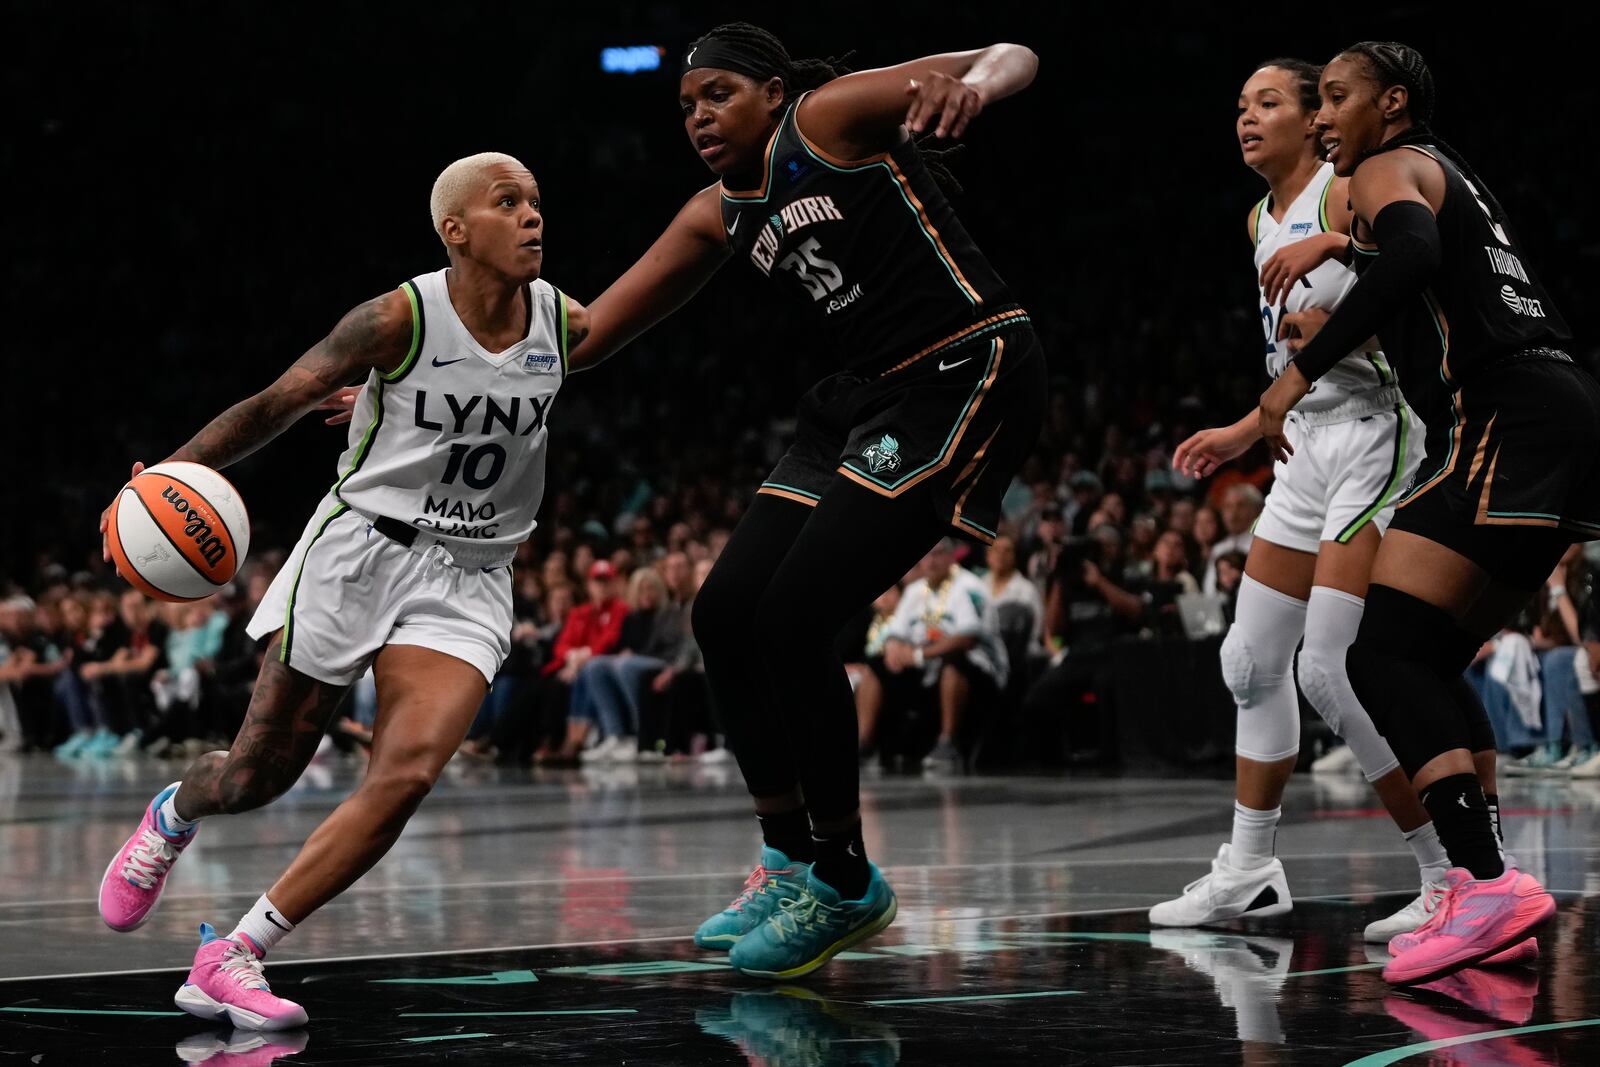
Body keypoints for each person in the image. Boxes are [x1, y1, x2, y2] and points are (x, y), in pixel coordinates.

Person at [564, 23, 1044, 976]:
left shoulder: (825, 121)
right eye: (687, 106)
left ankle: (844, 877)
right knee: (725, 612)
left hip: (963, 364)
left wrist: (977, 88)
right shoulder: (719, 211)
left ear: (773, 93)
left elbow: (1013, 50)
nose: (699, 116)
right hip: (862, 395)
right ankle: (786, 858)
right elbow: (584, 336)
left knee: (793, 619)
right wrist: (431, 370)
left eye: (718, 96)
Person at [95, 151, 590, 1028]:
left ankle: (234, 952)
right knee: (258, 774)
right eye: (507, 202)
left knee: (403, 777)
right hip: (360, 548)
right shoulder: (395, 318)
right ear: (455, 230)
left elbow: (655, 295)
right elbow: (278, 401)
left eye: (536, 202)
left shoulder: (564, 320)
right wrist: (164, 475)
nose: (531, 216)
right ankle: (175, 812)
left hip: (471, 574)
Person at [1256, 42, 1599, 983]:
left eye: (1335, 99)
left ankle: (1482, 881)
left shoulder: (1378, 168)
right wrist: (1336, 243)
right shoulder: (1439, 168)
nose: (1322, 118)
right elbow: (1418, 243)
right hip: (1560, 409)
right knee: (1433, 656)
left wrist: (1293, 379)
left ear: (1391, 103)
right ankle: (1479, 885)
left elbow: (1410, 253)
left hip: (1508, 414)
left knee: (1380, 652)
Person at [1151, 58, 1450, 948]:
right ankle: (1249, 870)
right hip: (1308, 441)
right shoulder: (1257, 216)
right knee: (1249, 659)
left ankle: (1450, 874)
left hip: (1374, 431)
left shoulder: (1349, 187)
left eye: (1269, 102)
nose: (1248, 117)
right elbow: (1290, 325)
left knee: (1331, 669)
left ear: (1314, 114)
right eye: (1240, 105)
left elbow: (1413, 284)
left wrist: (1319, 354)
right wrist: (1276, 395)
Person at [877, 538, 1008, 773]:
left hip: (981, 670)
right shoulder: (916, 591)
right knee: (875, 667)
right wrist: (893, 650)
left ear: (951, 557)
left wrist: (918, 655)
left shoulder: (969, 587)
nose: (930, 562)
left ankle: (948, 743)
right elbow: (894, 632)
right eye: (925, 556)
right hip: (928, 670)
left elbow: (967, 638)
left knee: (953, 663)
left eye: (937, 555)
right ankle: (867, 746)